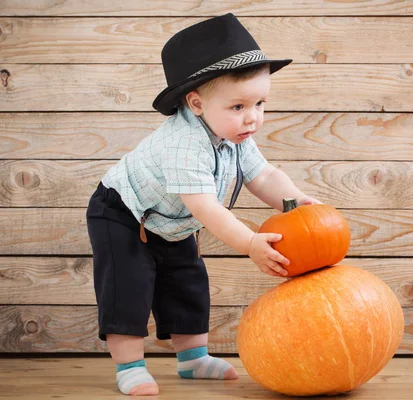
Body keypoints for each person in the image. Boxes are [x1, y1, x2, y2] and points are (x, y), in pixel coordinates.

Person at [86, 13, 320, 396]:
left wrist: (295, 202)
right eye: (238, 107)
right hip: (123, 213)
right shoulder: (183, 144)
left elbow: (262, 176)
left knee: (188, 280)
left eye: (260, 103)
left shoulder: (238, 136)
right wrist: (248, 244)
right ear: (196, 103)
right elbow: (206, 208)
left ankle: (193, 359)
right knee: (128, 285)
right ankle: (129, 367)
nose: (253, 118)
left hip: (172, 221)